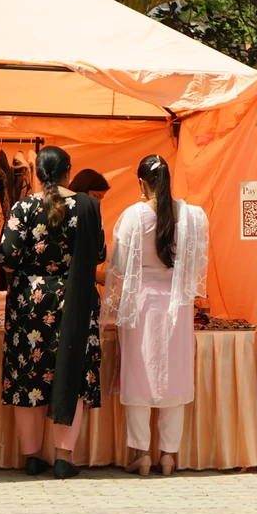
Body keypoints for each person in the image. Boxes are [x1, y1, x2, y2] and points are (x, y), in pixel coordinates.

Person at [0, 147, 106, 480]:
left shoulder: (24, 207)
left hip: (29, 302)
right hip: (74, 299)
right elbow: (99, 253)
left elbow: (7, 256)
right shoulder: (88, 206)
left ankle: (32, 456)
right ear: (67, 171)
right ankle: (63, 456)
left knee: (27, 374)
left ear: (37, 173)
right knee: (71, 370)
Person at [104, 155, 209, 477]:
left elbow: (118, 267)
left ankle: (140, 454)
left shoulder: (134, 216)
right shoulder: (194, 216)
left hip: (141, 305)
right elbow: (196, 267)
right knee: (174, 378)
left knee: (138, 375)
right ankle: (168, 456)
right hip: (177, 306)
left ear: (141, 183)